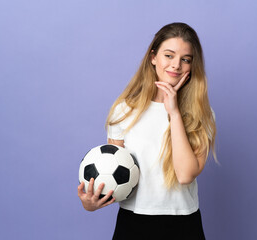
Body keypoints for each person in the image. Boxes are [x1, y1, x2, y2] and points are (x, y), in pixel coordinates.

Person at [78, 22, 217, 240]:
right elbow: (114, 175)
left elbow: (185, 175)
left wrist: (175, 113)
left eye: (185, 59)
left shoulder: (202, 114)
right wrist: (91, 203)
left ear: (192, 65)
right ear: (153, 57)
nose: (176, 65)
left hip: (183, 223)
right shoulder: (124, 110)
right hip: (133, 223)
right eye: (168, 55)